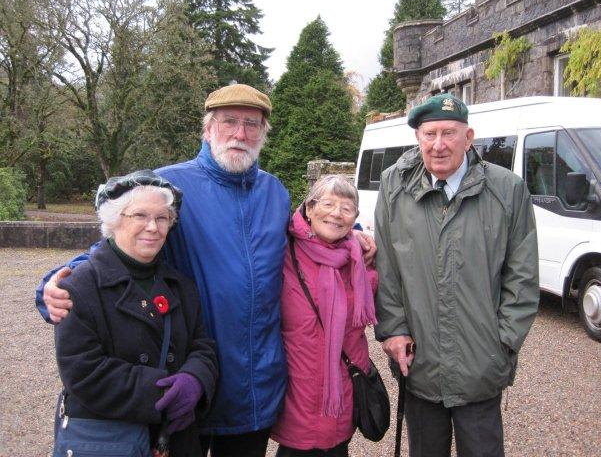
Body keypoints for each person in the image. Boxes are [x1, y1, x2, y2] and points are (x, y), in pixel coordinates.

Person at [37, 84, 375, 457]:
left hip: (255, 386)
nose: (240, 133)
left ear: (263, 134)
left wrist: (353, 236)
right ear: (208, 129)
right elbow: (123, 240)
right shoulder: (171, 185)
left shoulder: (274, 193)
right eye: (229, 121)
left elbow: (309, 232)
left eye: (251, 124)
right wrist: (63, 279)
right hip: (191, 379)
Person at [374, 93, 539, 457]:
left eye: (449, 133)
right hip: (419, 364)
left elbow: (522, 278)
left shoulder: (507, 189)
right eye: (429, 134)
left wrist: (502, 344)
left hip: (480, 366)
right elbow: (386, 269)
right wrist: (394, 330)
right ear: (417, 138)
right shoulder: (393, 187)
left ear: (469, 137)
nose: (438, 144)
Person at [53, 170, 218, 457]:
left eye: (162, 218)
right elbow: (83, 370)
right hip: (109, 439)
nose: (152, 227)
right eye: (139, 216)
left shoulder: (180, 285)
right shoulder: (80, 286)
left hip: (174, 441)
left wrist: (194, 380)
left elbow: (202, 346)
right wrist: (163, 393)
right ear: (114, 221)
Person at [271, 176, 378, 457]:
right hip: (296, 393)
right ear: (309, 208)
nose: (336, 213)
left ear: (355, 216)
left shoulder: (362, 261)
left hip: (342, 392)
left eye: (347, 208)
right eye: (328, 203)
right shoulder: (281, 251)